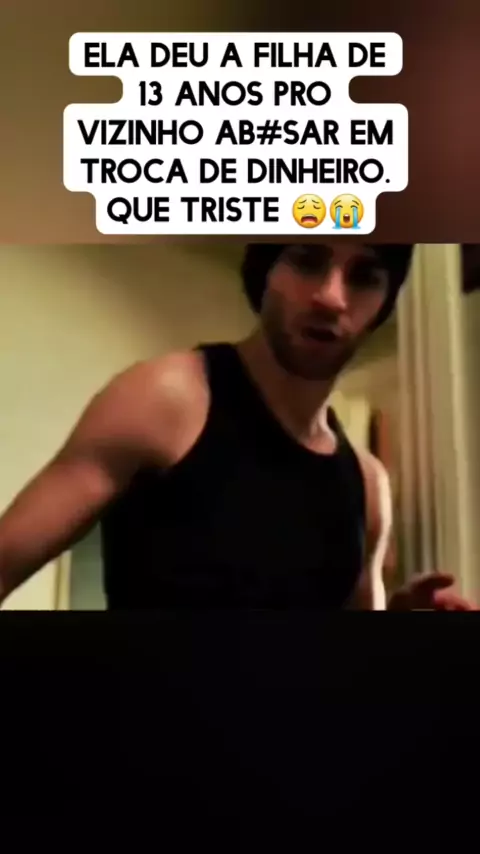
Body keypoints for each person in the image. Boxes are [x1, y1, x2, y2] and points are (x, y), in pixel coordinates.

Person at [0, 242, 474, 610]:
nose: (332, 297)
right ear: (266, 268)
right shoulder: (166, 400)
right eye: (307, 259)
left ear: (384, 302)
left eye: (364, 276)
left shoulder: (369, 485)